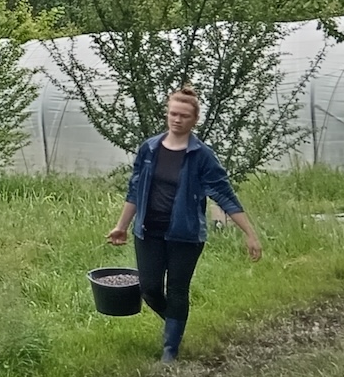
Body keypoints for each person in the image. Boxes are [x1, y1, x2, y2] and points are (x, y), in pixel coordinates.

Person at [105, 83, 264, 359]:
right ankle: (175, 323)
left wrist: (250, 234)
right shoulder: (150, 149)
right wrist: (121, 226)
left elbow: (224, 196)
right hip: (148, 231)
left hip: (185, 235)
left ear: (194, 120)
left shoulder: (201, 156)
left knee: (177, 289)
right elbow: (134, 190)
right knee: (150, 288)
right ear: (167, 114)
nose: (177, 119)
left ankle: (170, 349)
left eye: (184, 115)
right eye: (173, 114)